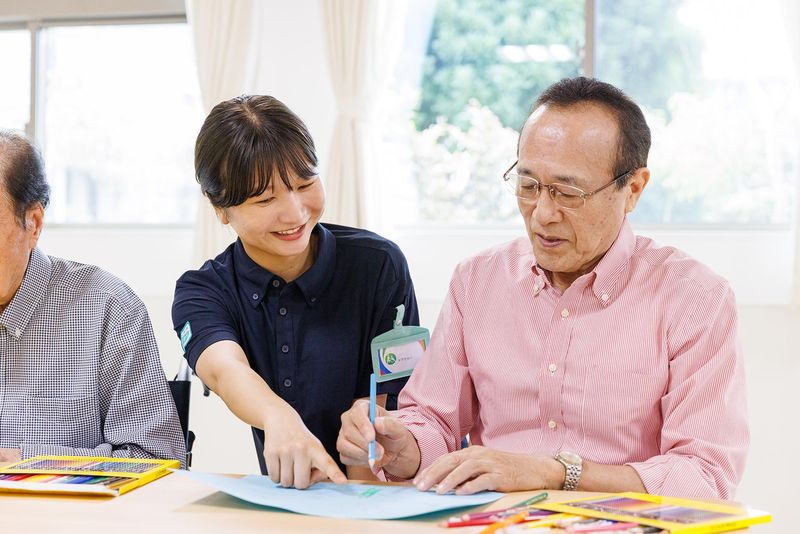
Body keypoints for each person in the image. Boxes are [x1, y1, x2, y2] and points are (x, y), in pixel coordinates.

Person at [337, 77, 748, 500]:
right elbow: (433, 420)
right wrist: (404, 446)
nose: (543, 214)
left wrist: (554, 472)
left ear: (634, 189)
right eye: (528, 186)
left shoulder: (695, 299)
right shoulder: (477, 282)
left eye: (568, 192)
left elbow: (705, 476)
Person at [172, 95, 419, 489]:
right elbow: (224, 369)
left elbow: (391, 394)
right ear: (219, 207)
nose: (294, 213)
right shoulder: (203, 291)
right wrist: (277, 416)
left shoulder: (378, 265)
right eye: (265, 199)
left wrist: (362, 442)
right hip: (294, 499)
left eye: (305, 184)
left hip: (382, 491)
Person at [0, 130, 185, 464]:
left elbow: (156, 460)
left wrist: (22, 461)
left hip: (67, 516)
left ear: (34, 222)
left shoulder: (108, 310)